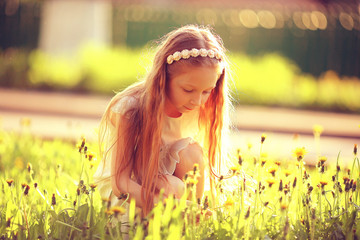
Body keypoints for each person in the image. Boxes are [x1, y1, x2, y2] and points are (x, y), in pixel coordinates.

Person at [93, 24, 232, 217]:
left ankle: (191, 222)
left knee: (192, 154)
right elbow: (120, 184)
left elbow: (191, 169)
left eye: (207, 91)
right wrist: (167, 205)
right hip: (129, 196)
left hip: (170, 191)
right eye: (188, 90)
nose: (197, 101)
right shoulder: (131, 109)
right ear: (163, 78)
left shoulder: (196, 107)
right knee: (171, 187)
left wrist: (190, 207)